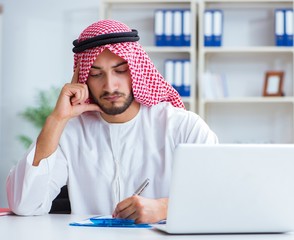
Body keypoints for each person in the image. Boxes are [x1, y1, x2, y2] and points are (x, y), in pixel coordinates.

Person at [6, 19, 218, 223]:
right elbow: (25, 205)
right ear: (84, 80)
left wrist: (164, 208)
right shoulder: (70, 131)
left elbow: (219, 197)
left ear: (136, 70)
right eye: (96, 74)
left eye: (120, 70)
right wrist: (56, 119)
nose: (110, 86)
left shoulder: (183, 127)